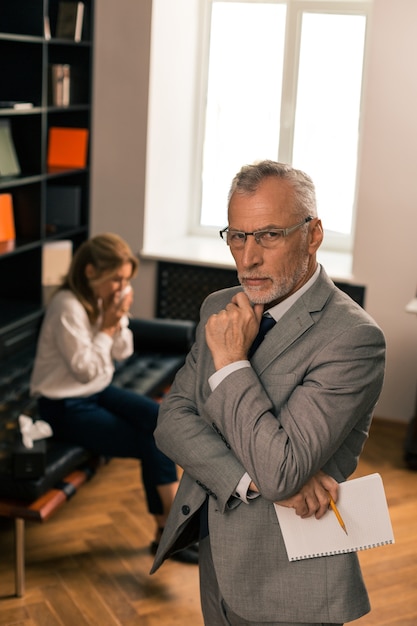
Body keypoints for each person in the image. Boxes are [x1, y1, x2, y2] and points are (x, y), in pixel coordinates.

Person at [150, 161, 386, 624]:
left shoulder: (353, 338)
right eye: (237, 236)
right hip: (216, 556)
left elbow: (281, 472)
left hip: (291, 582)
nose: (247, 258)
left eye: (269, 236)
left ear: (313, 234)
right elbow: (172, 421)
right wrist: (250, 479)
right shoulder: (218, 307)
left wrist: (233, 362)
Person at [30, 233, 198, 564]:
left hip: (97, 391)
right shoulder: (68, 306)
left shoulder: (102, 300)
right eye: (116, 279)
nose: (122, 286)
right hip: (62, 405)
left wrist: (118, 318)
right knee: (151, 440)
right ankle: (169, 530)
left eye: (126, 279)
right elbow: (85, 371)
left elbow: (124, 350)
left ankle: (168, 529)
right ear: (91, 272)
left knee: (159, 421)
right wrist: (106, 327)